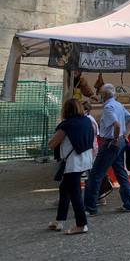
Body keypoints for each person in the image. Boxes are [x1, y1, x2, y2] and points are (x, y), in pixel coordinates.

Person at [84, 83, 130, 215]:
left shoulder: (108, 107)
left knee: (96, 175)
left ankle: (90, 208)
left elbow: (117, 124)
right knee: (121, 173)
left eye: (101, 93)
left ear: (105, 94)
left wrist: (115, 138)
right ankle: (129, 204)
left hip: (111, 144)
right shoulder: (118, 104)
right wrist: (125, 136)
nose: (99, 95)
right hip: (120, 143)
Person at [47, 98, 94, 235]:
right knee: (64, 189)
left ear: (65, 110)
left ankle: (81, 224)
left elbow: (52, 143)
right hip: (84, 160)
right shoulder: (86, 120)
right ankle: (59, 221)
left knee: (75, 194)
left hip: (73, 163)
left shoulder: (66, 125)